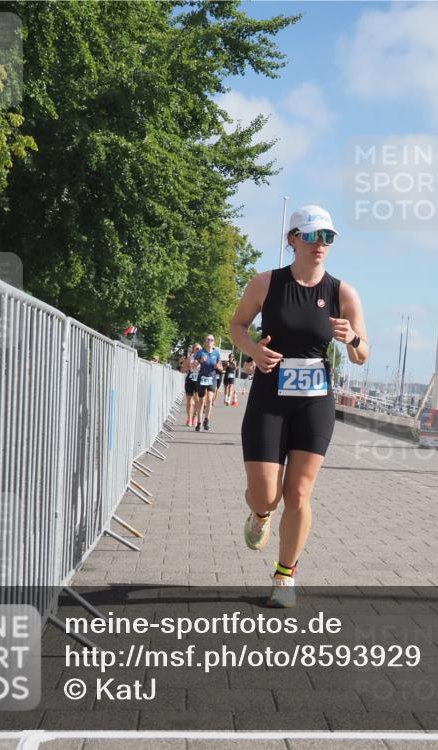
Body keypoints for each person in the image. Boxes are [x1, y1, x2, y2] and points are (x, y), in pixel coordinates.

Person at [230, 205, 369, 607]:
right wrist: (254, 350)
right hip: (269, 397)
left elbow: (363, 354)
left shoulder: (342, 293)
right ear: (292, 239)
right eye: (311, 236)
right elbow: (237, 326)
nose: (319, 244)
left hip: (314, 401)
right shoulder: (265, 283)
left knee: (299, 492)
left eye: (327, 237)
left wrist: (352, 339)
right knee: (266, 495)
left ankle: (285, 577)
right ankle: (260, 514)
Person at [194, 335, 223, 431]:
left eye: (212, 340)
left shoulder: (216, 353)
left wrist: (218, 367)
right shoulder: (200, 352)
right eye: (208, 339)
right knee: (201, 401)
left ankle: (206, 420)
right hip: (202, 378)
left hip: (212, 378)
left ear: (214, 342)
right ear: (205, 341)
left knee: (210, 399)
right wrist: (200, 361)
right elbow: (193, 366)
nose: (210, 341)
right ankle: (199, 422)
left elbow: (221, 368)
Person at [181, 343, 202, 426]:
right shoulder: (190, 358)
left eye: (200, 349)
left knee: (197, 400)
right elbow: (183, 370)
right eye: (197, 349)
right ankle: (189, 419)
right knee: (189, 400)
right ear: (193, 350)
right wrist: (187, 367)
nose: (198, 350)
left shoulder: (203, 358)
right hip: (190, 379)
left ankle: (195, 416)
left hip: (199, 380)